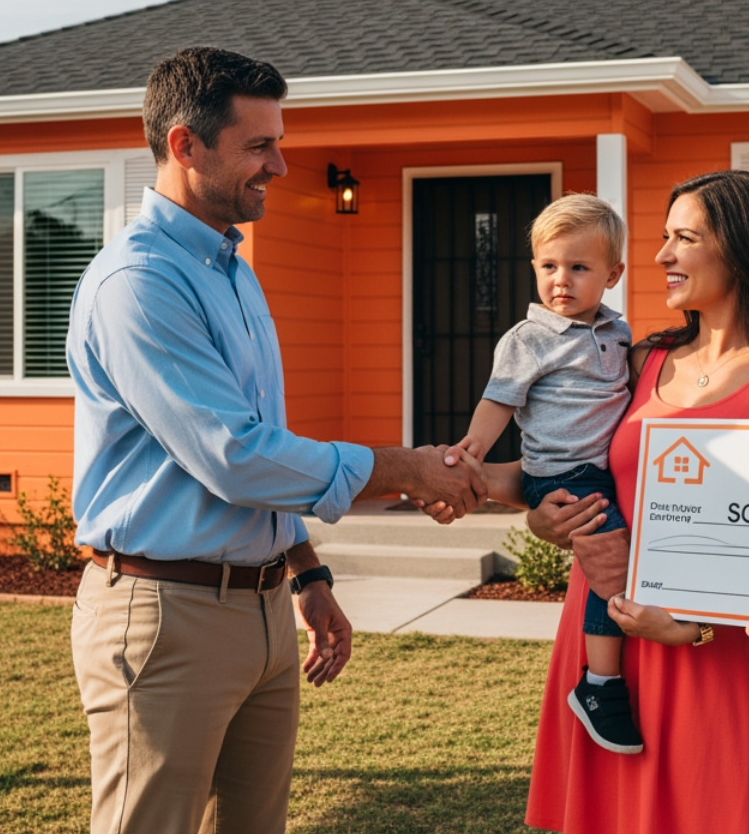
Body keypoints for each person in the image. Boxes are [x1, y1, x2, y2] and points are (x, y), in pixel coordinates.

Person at [66, 46, 485, 834]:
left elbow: (267, 438)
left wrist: (305, 574)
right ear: (186, 144)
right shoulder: (140, 284)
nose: (281, 165)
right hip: (168, 616)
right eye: (259, 146)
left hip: (260, 611)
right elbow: (234, 456)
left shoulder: (232, 268)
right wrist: (406, 470)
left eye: (277, 142)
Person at [486, 170, 749, 834]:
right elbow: (561, 469)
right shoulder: (640, 359)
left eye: (684, 238)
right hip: (601, 640)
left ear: (740, 249)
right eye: (663, 237)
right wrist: (535, 515)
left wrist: (691, 629)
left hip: (705, 658)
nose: (660, 256)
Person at [455, 194, 640, 753]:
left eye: (579, 268)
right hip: (562, 474)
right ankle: (600, 685)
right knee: (611, 565)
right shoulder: (528, 339)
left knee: (621, 563)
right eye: (549, 266)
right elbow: (498, 403)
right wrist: (469, 453)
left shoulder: (618, 333)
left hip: (599, 472)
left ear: (613, 275)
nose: (561, 280)